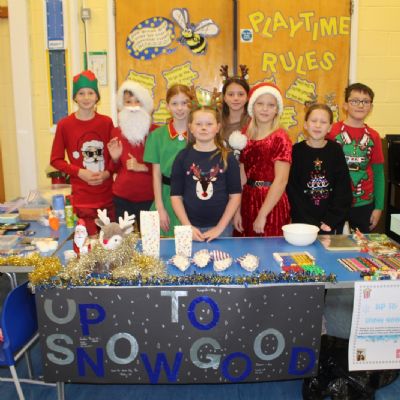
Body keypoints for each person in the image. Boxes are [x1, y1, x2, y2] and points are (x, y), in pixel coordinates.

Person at [50, 70, 114, 236]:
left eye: (90, 93)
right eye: (81, 93)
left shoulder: (106, 123)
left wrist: (107, 173)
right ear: (75, 97)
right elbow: (55, 159)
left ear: (97, 96)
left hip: (107, 198)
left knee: (111, 244)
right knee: (86, 245)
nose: (86, 97)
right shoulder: (65, 125)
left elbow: (115, 157)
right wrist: (79, 172)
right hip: (82, 200)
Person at [170, 105, 242, 242]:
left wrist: (219, 228)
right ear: (190, 127)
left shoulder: (228, 158)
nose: (204, 128)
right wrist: (187, 227)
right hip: (190, 228)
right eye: (198, 124)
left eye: (209, 124)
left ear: (218, 127)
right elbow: (176, 196)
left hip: (222, 229)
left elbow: (235, 196)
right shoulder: (182, 157)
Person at [233, 82, 292, 237]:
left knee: (269, 246)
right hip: (247, 200)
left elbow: (281, 180)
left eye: (271, 105)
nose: (265, 109)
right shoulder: (244, 136)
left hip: (271, 202)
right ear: (252, 107)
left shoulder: (280, 137)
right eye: (260, 104)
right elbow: (241, 178)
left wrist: (262, 214)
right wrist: (236, 211)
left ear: (277, 109)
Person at [287, 103, 352, 234]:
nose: (318, 125)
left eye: (323, 122)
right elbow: (292, 190)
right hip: (302, 224)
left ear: (330, 127)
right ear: (305, 124)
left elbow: (343, 189)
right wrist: (308, 222)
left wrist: (331, 219)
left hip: (330, 224)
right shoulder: (296, 151)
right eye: (313, 121)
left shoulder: (336, 151)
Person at [328, 83, 385, 233]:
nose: (360, 105)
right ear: (345, 105)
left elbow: (378, 173)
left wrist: (379, 207)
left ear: (371, 107)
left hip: (364, 204)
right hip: (334, 201)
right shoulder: (331, 131)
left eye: (365, 101)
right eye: (355, 101)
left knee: (362, 243)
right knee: (329, 242)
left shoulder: (374, 136)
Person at [144, 84, 193, 237]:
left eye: (184, 103)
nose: (180, 108)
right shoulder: (157, 136)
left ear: (191, 104)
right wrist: (160, 207)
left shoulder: (198, 134)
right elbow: (156, 174)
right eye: (175, 103)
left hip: (191, 195)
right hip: (165, 196)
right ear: (167, 106)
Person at [107, 80, 156, 231]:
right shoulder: (116, 132)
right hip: (122, 197)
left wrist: (143, 167)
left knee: (150, 240)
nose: (133, 106)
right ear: (122, 105)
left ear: (145, 104)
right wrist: (115, 158)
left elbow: (164, 167)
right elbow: (112, 169)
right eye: (128, 102)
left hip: (149, 197)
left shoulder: (156, 132)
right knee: (122, 239)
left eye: (137, 101)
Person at [219, 65, 250, 144]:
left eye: (240, 94)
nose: (236, 98)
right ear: (224, 98)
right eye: (231, 94)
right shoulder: (216, 121)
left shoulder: (253, 123)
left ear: (247, 97)